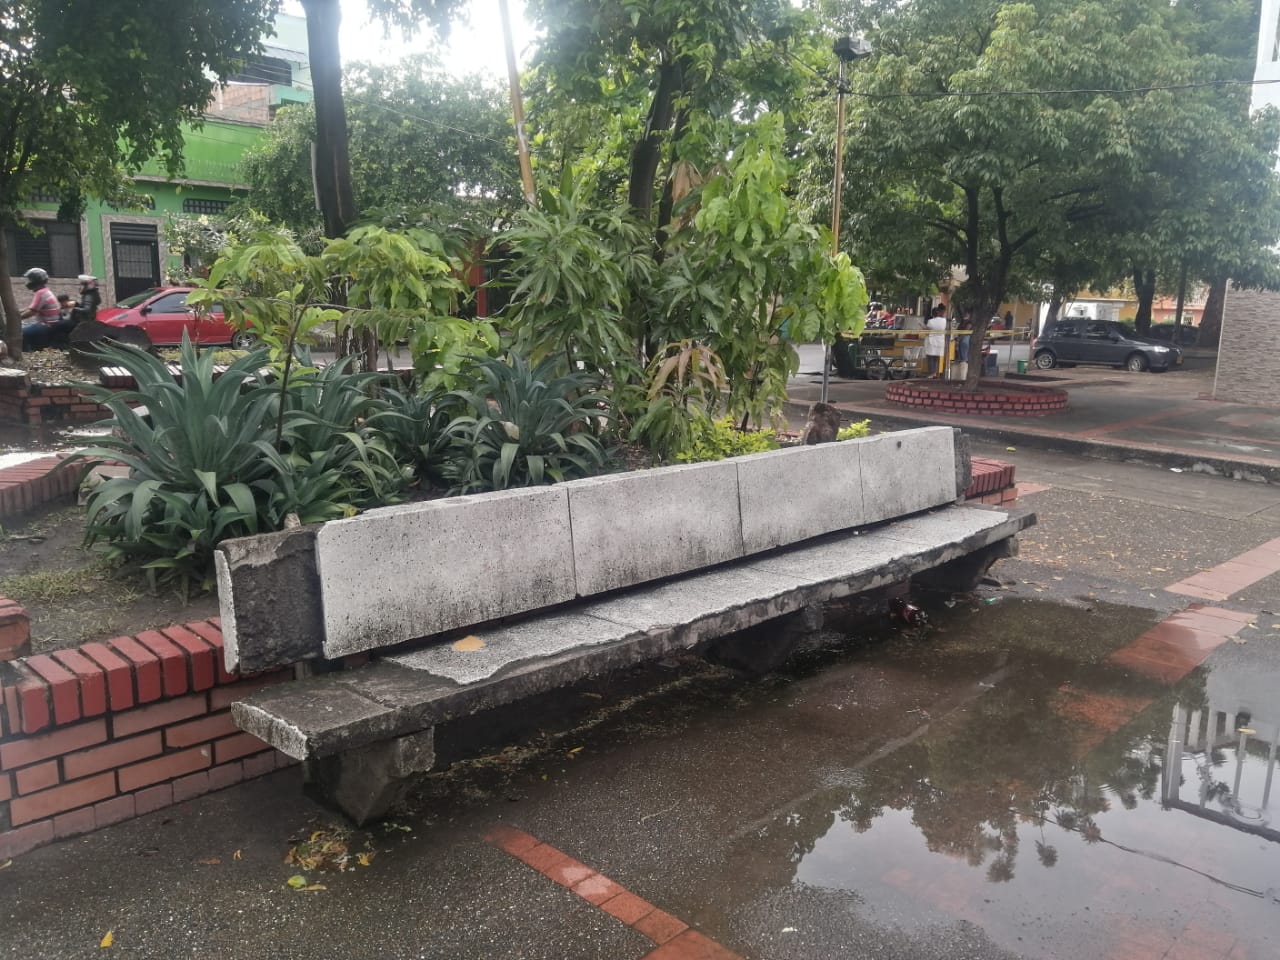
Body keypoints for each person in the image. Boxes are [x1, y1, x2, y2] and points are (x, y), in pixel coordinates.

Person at [19, 267, 62, 351]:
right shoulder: (45, 291)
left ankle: (27, 354)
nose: (27, 282)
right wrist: (16, 312)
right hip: (48, 324)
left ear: (35, 281)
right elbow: (31, 307)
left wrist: (16, 319)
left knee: (19, 333)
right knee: (25, 326)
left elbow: (32, 311)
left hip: (46, 326)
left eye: (29, 280)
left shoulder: (41, 293)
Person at [924, 305, 947, 377]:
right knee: (936, 358)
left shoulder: (930, 321)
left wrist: (923, 327)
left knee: (930, 358)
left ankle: (931, 373)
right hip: (940, 341)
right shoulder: (944, 321)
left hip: (931, 341)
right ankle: (935, 373)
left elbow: (927, 331)